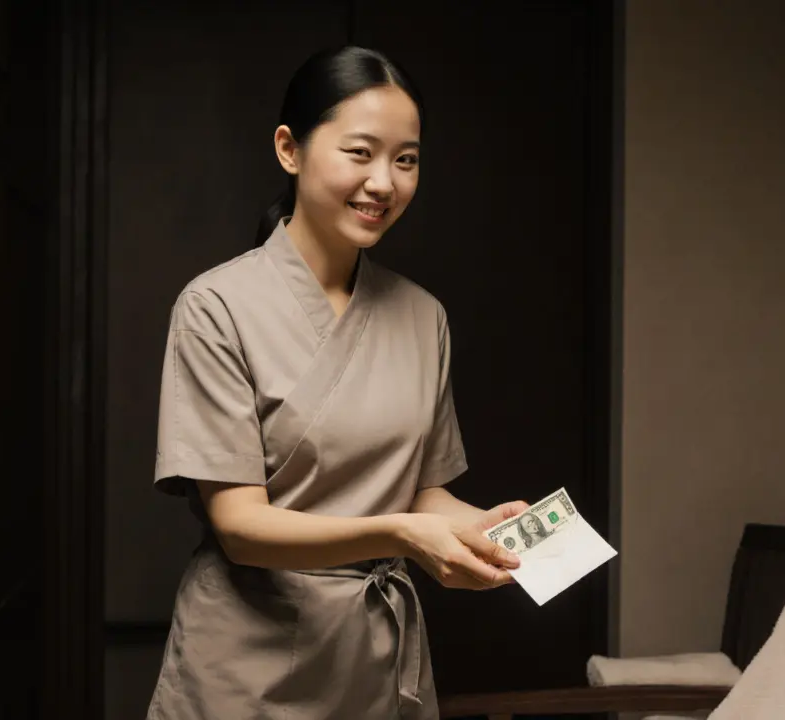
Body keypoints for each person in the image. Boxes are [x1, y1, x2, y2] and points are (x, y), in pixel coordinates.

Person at [146, 45, 530, 719]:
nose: (384, 182)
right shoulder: (215, 307)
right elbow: (239, 525)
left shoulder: (422, 315)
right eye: (360, 152)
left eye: (405, 159)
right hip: (244, 664)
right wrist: (405, 535)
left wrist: (485, 529)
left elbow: (421, 494)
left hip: (373, 660)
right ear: (289, 149)